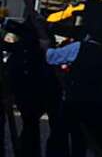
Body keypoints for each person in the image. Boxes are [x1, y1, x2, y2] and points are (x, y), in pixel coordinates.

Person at [44, 0, 102, 157]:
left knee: (60, 137)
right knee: (81, 141)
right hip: (97, 101)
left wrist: (45, 46)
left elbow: (51, 57)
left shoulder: (80, 47)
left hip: (75, 101)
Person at [4, 17, 66, 157]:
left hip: (40, 90)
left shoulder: (35, 44)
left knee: (36, 126)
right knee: (32, 126)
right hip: (34, 90)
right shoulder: (29, 44)